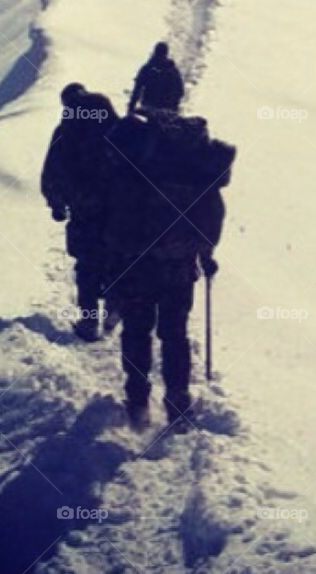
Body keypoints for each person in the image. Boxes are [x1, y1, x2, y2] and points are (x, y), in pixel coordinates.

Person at [104, 111, 234, 429]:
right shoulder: (196, 170)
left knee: (137, 330)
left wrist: (114, 262)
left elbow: (117, 218)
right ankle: (178, 401)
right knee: (174, 334)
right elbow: (212, 217)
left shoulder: (135, 164)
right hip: (179, 266)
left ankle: (137, 401)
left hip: (137, 265)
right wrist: (205, 254)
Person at [41, 83, 120, 341]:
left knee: (87, 266)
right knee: (115, 258)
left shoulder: (65, 131)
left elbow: (51, 170)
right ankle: (114, 306)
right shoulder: (111, 121)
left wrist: (56, 204)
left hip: (83, 209)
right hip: (115, 207)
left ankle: (88, 323)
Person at [127, 42, 184, 116]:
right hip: (151, 109)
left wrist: (130, 109)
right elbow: (137, 90)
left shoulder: (170, 71)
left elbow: (179, 91)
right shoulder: (148, 68)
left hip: (163, 110)